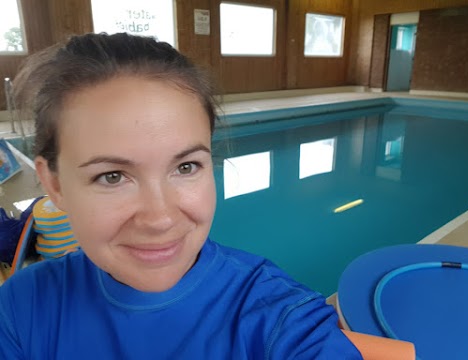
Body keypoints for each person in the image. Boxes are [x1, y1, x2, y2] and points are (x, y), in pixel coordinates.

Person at [0, 33, 362, 359]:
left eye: (186, 167)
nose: (160, 219)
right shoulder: (22, 306)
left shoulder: (280, 319)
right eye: (112, 176)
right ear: (55, 185)